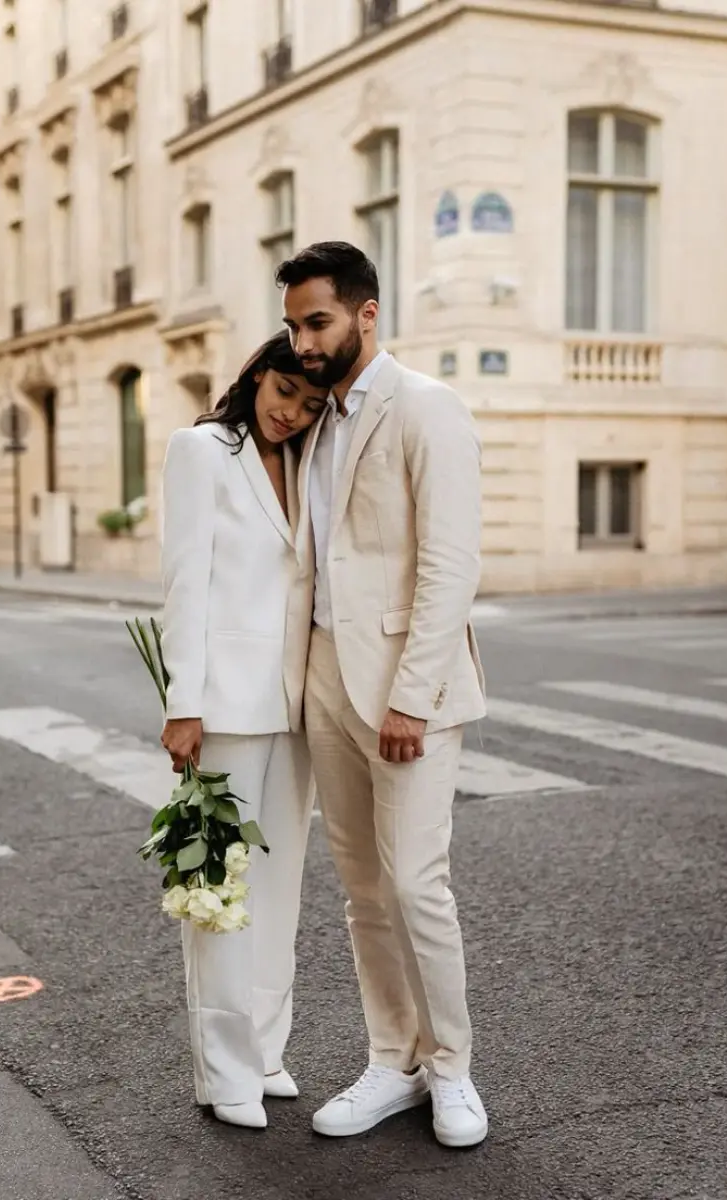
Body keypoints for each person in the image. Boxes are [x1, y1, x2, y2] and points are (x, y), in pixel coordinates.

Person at [277, 242, 489, 1149]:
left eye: (317, 320)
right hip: (323, 673)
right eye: (292, 324)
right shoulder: (313, 418)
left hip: (405, 685)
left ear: (366, 314)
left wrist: (413, 696)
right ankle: (390, 1061)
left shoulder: (427, 408)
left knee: (417, 886)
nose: (303, 339)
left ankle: (452, 1071)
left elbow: (450, 565)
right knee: (362, 891)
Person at [159, 330, 328, 1130]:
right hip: (222, 707)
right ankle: (223, 1073)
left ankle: (264, 1050)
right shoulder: (201, 451)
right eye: (284, 392)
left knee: (280, 887)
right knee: (218, 893)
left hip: (295, 709)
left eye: (309, 403)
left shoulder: (303, 463)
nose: (291, 413)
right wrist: (182, 704)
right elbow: (185, 583)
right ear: (258, 374)